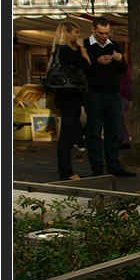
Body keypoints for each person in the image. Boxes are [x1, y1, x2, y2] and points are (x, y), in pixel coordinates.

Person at [83, 17, 135, 177]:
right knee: (95, 132)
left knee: (113, 132)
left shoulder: (113, 45)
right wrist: (96, 62)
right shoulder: (86, 46)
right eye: (101, 33)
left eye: (106, 33)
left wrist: (120, 61)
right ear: (93, 30)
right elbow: (83, 69)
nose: (104, 36)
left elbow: (123, 69)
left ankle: (114, 165)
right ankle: (97, 167)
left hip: (113, 93)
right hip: (94, 93)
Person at [50, 21, 91, 181]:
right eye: (76, 33)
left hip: (64, 96)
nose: (79, 36)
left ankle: (65, 169)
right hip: (69, 96)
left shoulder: (57, 51)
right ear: (67, 33)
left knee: (67, 133)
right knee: (67, 133)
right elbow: (86, 65)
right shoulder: (66, 51)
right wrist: (82, 48)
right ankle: (66, 171)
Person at [118, 60, 132, 149]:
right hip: (120, 95)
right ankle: (125, 140)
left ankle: (120, 139)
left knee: (118, 116)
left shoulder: (126, 71)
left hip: (123, 96)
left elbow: (129, 85)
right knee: (120, 118)